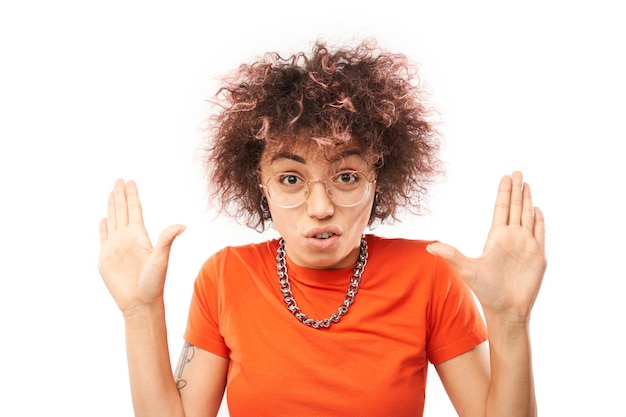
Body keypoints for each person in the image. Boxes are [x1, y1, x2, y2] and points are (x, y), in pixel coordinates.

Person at [98, 38, 547, 417]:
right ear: (261, 185)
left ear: (379, 180)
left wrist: (510, 321)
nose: (319, 207)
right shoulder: (225, 277)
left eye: (346, 176)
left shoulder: (428, 275)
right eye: (291, 179)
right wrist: (140, 314)